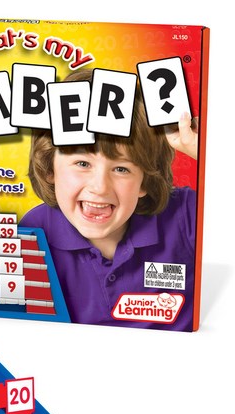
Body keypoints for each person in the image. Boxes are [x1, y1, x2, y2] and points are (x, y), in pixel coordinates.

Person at [19, 70, 199, 330]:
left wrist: (202, 150)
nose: (100, 187)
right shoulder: (34, 234)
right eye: (82, 163)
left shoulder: (186, 215)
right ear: (50, 169)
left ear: (145, 181)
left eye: (121, 169)